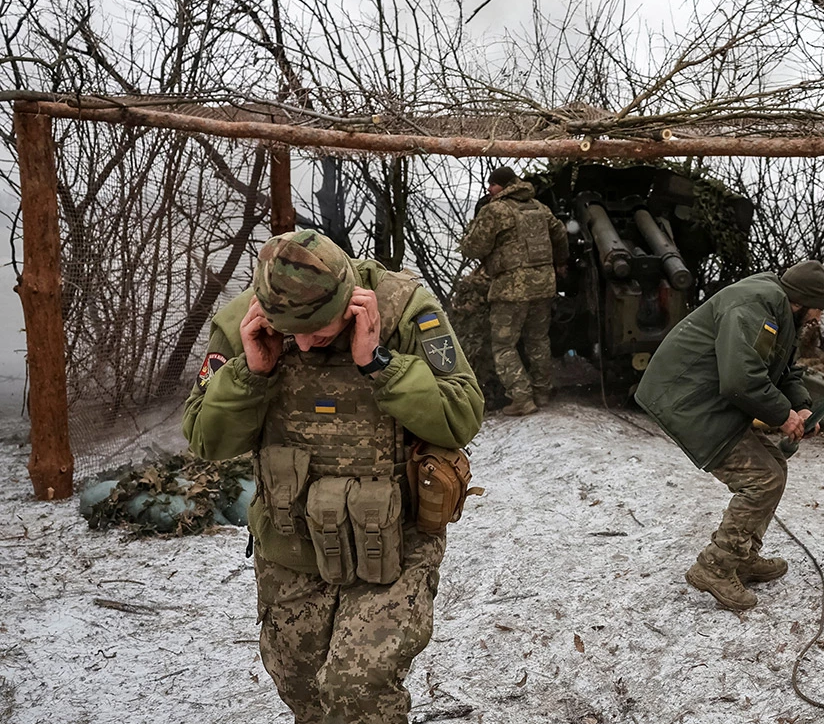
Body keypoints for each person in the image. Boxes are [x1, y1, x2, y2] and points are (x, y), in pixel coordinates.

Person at [182, 229, 484, 724]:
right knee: (303, 692)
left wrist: (379, 364)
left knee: (355, 689)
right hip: (291, 544)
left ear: (351, 300)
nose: (303, 344)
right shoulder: (243, 323)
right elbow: (205, 439)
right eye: (291, 334)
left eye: (319, 331)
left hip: (395, 542)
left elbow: (462, 417)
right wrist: (251, 375)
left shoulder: (405, 310)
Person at [634, 260, 824, 612]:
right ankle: (715, 567)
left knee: (775, 466)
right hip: (687, 399)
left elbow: (784, 370)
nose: (818, 317)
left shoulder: (779, 311)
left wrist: (801, 408)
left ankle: (742, 557)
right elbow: (741, 379)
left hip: (708, 398)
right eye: (818, 309)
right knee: (762, 478)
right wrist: (782, 416)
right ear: (802, 301)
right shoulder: (754, 308)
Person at [459, 166, 569, 416]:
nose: (489, 189)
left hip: (511, 289)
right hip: (543, 285)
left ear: (505, 185)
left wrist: (471, 240)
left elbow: (473, 248)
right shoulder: (539, 207)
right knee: (538, 339)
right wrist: (560, 262)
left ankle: (521, 398)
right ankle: (542, 392)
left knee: (503, 345)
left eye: (493, 184)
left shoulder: (495, 210)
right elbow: (560, 233)